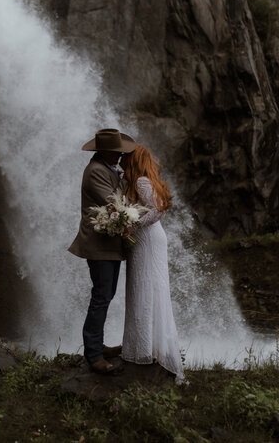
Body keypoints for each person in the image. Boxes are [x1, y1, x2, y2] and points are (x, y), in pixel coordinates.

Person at [69, 128, 137, 374]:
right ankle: (94, 355)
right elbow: (114, 203)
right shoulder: (96, 171)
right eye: (117, 152)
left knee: (105, 294)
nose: (120, 156)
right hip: (98, 244)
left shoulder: (106, 168)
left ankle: (98, 345)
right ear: (106, 152)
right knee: (101, 296)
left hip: (107, 245)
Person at [119, 144, 185, 383]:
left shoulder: (141, 183)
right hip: (150, 239)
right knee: (146, 287)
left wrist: (132, 226)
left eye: (126, 157)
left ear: (134, 160)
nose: (122, 160)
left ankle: (146, 348)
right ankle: (147, 346)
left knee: (145, 288)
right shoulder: (140, 181)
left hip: (147, 240)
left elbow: (158, 210)